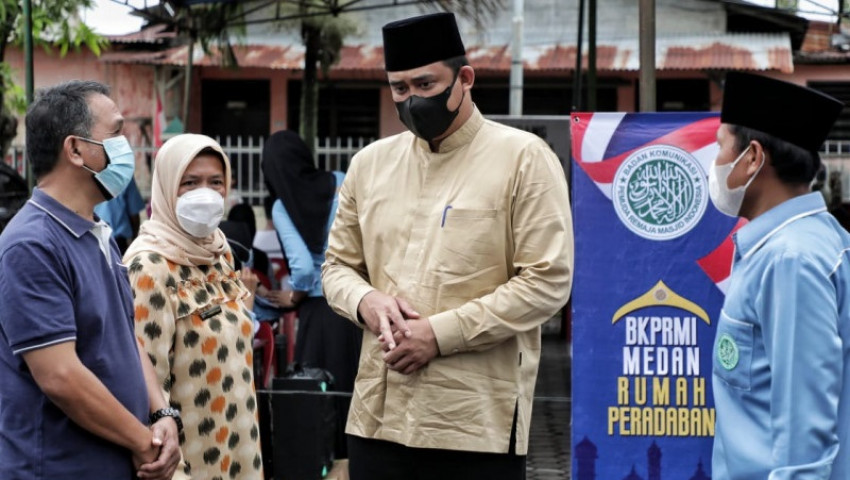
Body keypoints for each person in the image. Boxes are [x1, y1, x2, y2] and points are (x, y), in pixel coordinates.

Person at [321, 12, 574, 480]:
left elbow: (548, 281)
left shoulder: (523, 159)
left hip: (475, 423)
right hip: (378, 415)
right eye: (399, 89)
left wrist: (439, 334)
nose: (412, 100)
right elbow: (337, 267)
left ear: (465, 79)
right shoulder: (369, 165)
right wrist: (367, 301)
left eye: (424, 84)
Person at [0, 80, 181, 479]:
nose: (127, 145)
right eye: (116, 132)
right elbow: (61, 376)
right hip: (60, 468)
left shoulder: (97, 233)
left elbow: (126, 336)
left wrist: (162, 413)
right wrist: (141, 441)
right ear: (76, 149)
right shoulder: (31, 244)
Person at [710, 72, 849, 480]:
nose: (714, 163)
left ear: (752, 158)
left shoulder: (792, 260)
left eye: (720, 147)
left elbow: (805, 444)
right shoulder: (798, 244)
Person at [123, 133, 264, 479]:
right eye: (190, 182)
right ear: (167, 187)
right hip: (190, 464)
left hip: (241, 454)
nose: (205, 193)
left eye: (215, 182)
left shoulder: (220, 253)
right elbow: (146, 388)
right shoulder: (149, 267)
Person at [262, 129, 362, 457]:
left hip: (320, 311)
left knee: (317, 393)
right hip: (356, 303)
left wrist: (296, 294)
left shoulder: (281, 206)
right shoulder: (341, 180)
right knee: (353, 390)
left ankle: (322, 462)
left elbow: (303, 268)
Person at [94, 175, 146, 253]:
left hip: (95, 239)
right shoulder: (124, 174)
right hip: (119, 243)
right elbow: (134, 214)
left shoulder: (87, 174)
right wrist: (134, 242)